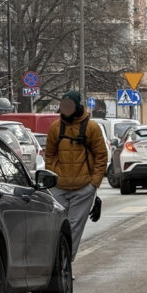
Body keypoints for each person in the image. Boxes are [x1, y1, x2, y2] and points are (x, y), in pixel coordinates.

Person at [44, 91, 107, 260]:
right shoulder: (55, 127)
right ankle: (56, 264)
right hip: (59, 187)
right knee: (56, 227)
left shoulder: (92, 127)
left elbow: (101, 156)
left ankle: (65, 265)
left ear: (77, 106)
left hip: (83, 187)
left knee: (73, 228)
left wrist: (93, 184)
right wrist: (52, 178)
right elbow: (49, 155)